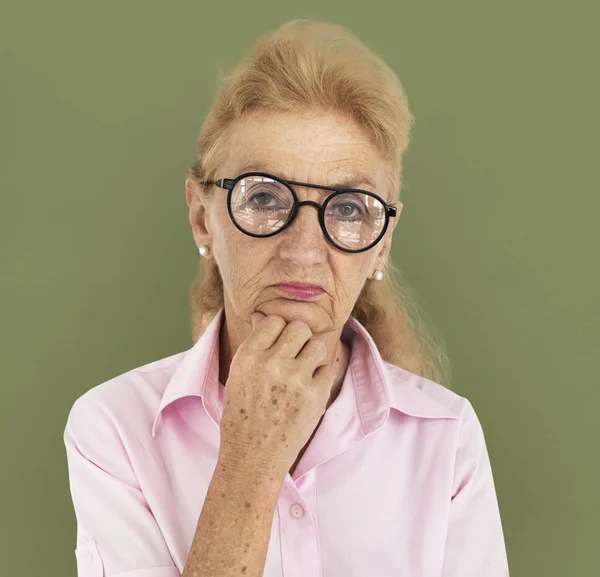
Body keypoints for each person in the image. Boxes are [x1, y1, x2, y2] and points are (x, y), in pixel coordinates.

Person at [63, 18, 510, 577]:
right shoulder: (113, 430)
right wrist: (250, 460)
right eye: (265, 199)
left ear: (380, 246)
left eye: (349, 209)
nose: (303, 252)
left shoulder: (447, 439)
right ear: (203, 218)